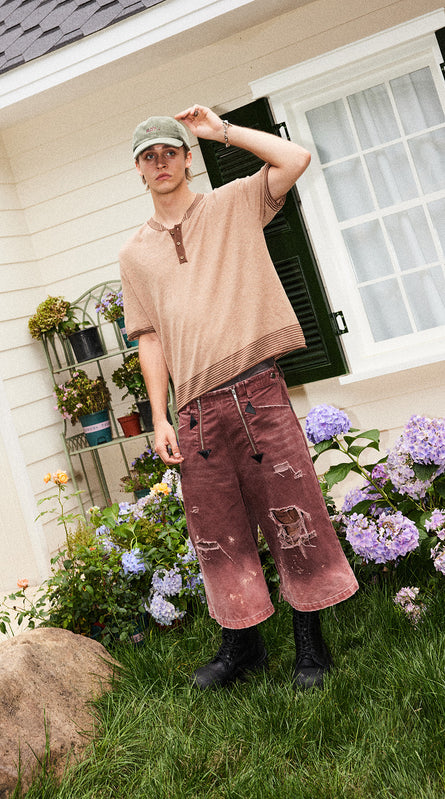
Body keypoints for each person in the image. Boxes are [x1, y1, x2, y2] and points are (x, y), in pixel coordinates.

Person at [119, 105, 358, 690]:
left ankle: (310, 646)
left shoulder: (232, 204)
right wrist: (159, 418)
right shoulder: (133, 255)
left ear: (187, 159)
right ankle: (242, 647)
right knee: (217, 533)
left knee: (292, 515)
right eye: (149, 156)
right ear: (139, 169)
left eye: (170, 151)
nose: (161, 162)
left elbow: (294, 158)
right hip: (194, 414)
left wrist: (220, 130)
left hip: (259, 394)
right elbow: (150, 339)